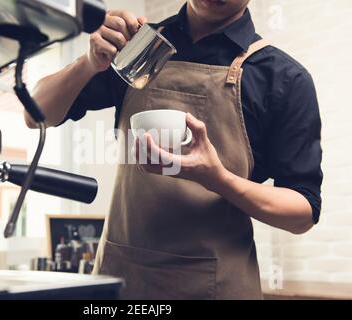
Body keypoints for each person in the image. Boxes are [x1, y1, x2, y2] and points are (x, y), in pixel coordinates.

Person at [26, 0, 323, 299]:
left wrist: (218, 179)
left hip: (218, 286)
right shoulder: (138, 45)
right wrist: (89, 63)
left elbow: (302, 212)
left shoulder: (283, 78)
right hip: (122, 278)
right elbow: (34, 113)